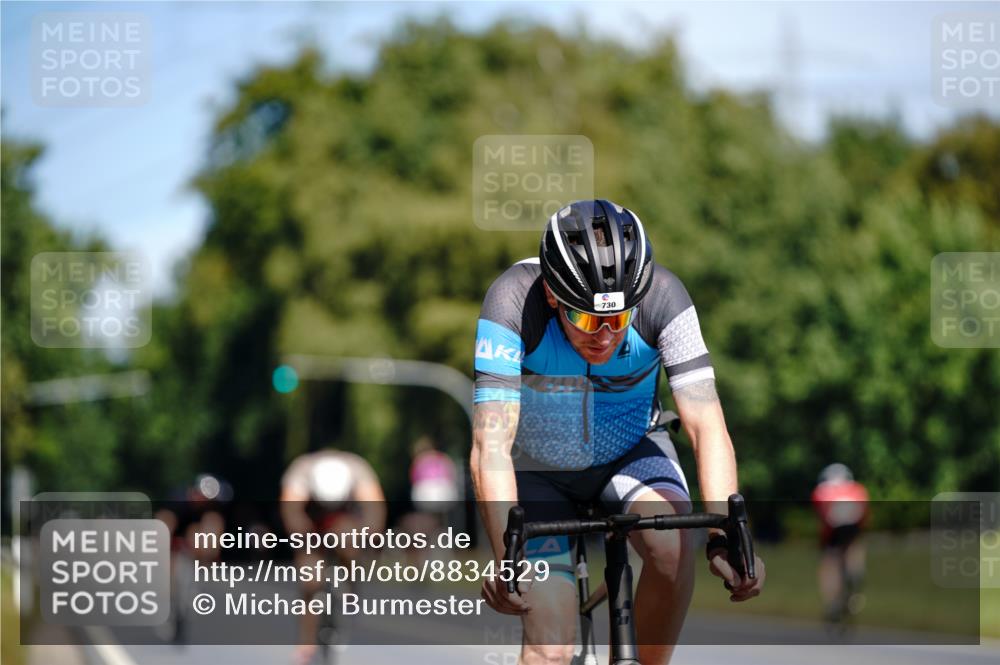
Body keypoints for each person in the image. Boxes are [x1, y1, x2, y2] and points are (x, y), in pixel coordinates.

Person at [470, 200, 765, 665]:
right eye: (586, 318)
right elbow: (490, 445)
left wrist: (725, 537)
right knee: (550, 645)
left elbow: (706, 426)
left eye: (618, 318)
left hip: (630, 452)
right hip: (537, 472)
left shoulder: (666, 297)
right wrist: (507, 559)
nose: (604, 335)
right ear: (552, 295)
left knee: (673, 548)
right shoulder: (511, 301)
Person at [279, 449, 386, 665]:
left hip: (344, 520)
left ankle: (350, 585)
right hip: (311, 523)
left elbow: (375, 511)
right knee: (310, 581)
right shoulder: (301, 471)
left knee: (349, 539)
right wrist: (303, 540)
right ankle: (306, 643)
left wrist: (367, 538)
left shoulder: (358, 470)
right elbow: (290, 512)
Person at [811, 462, 869, 624]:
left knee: (830, 560)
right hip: (853, 520)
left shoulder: (821, 491)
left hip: (834, 523)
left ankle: (831, 600)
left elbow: (824, 520)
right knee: (854, 547)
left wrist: (825, 543)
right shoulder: (858, 489)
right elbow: (863, 518)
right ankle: (855, 574)